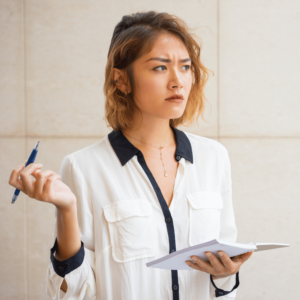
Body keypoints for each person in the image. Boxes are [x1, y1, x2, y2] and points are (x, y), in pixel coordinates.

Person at [9, 10, 253, 300]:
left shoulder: (214, 157)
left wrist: (225, 274)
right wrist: (66, 209)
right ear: (121, 80)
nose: (178, 81)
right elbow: (73, 294)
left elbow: (223, 280)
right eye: (160, 68)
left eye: (185, 67)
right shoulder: (83, 166)